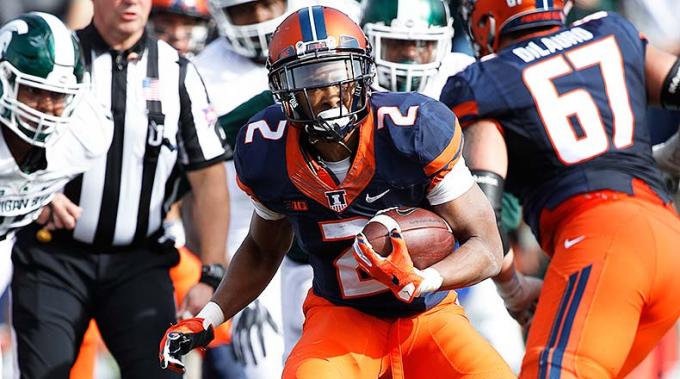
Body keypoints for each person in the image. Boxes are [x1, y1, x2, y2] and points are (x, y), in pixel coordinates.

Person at [159, 6, 516, 378]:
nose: (329, 93)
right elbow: (263, 251)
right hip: (341, 319)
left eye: (339, 74)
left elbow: (487, 246)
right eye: (308, 80)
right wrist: (209, 318)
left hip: (429, 315)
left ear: (364, 72)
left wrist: (427, 278)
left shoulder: (413, 128)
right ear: (284, 91)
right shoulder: (267, 147)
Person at [439, 1, 680, 377]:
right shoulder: (609, 30)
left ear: (488, 17)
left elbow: (482, 213)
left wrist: (511, 286)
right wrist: (672, 156)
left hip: (601, 245)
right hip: (667, 240)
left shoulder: (482, 81)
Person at [10, 0, 229, 378]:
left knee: (159, 372)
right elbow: (9, 137)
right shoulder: (57, 60)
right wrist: (36, 191)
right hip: (53, 255)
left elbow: (208, 175)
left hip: (139, 261)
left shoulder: (178, 72)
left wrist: (211, 273)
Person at [0, 11, 113, 375]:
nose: (47, 109)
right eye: (34, 91)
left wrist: (44, 192)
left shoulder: (87, 132)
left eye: (58, 95)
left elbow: (35, 170)